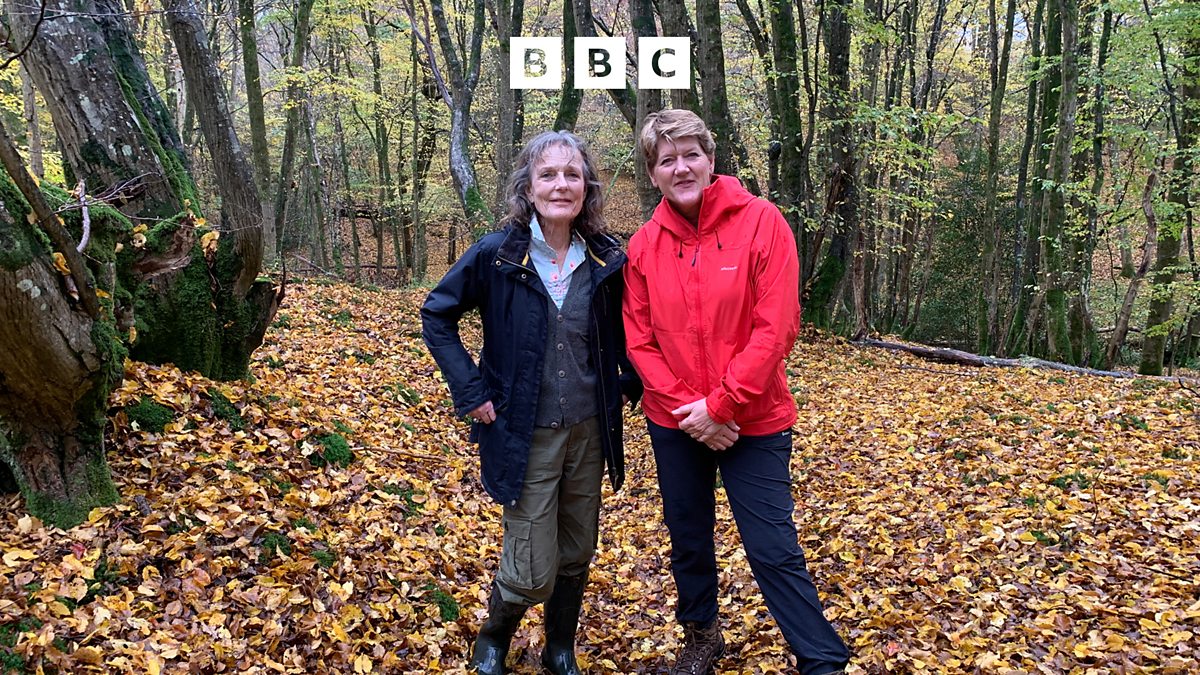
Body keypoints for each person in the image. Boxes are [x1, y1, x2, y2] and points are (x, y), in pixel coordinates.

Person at [622, 109, 851, 675]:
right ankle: (701, 636)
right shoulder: (643, 247)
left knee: (772, 546)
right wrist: (693, 412)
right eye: (667, 160)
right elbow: (639, 341)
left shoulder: (762, 222)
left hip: (755, 416)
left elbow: (777, 327)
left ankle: (821, 660)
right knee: (688, 538)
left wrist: (720, 407)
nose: (681, 168)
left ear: (710, 160)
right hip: (675, 420)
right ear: (652, 173)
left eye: (690, 155)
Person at [421, 130, 642, 675]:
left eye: (572, 174)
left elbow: (631, 328)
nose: (561, 184)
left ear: (587, 187)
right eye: (548, 174)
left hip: (590, 430)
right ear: (528, 187)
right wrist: (471, 390)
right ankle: (493, 637)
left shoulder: (607, 257)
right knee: (531, 559)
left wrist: (629, 379)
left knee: (577, 546)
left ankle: (559, 647)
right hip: (525, 430)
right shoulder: (497, 255)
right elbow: (437, 314)